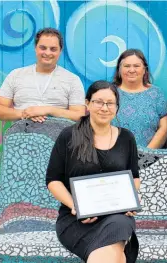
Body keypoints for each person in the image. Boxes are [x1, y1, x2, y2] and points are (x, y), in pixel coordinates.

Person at [46, 81, 140, 262]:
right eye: (98, 102)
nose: (104, 108)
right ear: (87, 103)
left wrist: (132, 199)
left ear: (117, 107)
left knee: (118, 228)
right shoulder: (69, 136)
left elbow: (134, 176)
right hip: (76, 220)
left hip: (117, 216)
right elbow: (53, 180)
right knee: (115, 254)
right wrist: (76, 206)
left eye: (110, 103)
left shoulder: (126, 137)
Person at [0, 28, 86, 122]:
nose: (48, 53)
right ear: (35, 48)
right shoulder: (16, 75)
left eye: (53, 49)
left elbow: (79, 115)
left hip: (60, 136)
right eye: (43, 48)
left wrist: (49, 110)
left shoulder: (72, 80)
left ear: (60, 51)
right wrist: (25, 113)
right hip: (21, 134)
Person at [111, 49, 167, 148]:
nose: (131, 70)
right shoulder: (109, 92)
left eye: (136, 66)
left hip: (149, 158)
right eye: (127, 66)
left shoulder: (156, 94)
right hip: (113, 156)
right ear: (119, 69)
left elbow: (164, 127)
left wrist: (146, 154)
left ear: (144, 69)